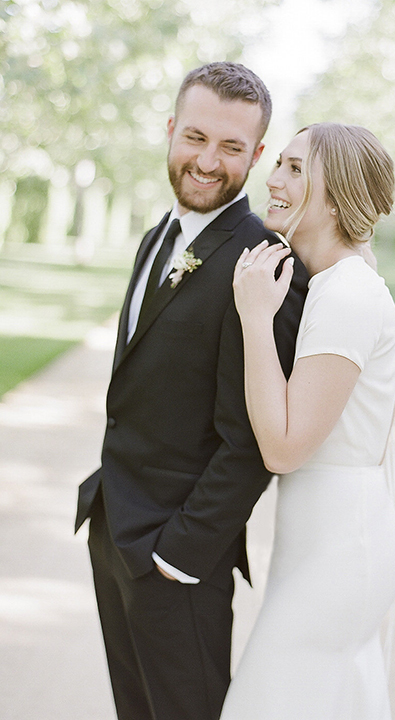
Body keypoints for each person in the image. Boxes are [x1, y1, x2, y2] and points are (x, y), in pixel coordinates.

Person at [74, 62, 308, 720]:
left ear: (257, 155)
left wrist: (178, 557)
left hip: (175, 564)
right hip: (112, 528)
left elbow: (253, 437)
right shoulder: (158, 236)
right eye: (196, 137)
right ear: (171, 129)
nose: (208, 161)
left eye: (232, 147)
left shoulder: (266, 264)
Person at [219, 123, 395, 720]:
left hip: (341, 547)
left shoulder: (348, 294)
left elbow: (284, 446)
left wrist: (254, 317)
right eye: (279, 164)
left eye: (297, 169)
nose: (273, 179)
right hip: (323, 538)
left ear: (337, 195)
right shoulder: (336, 284)